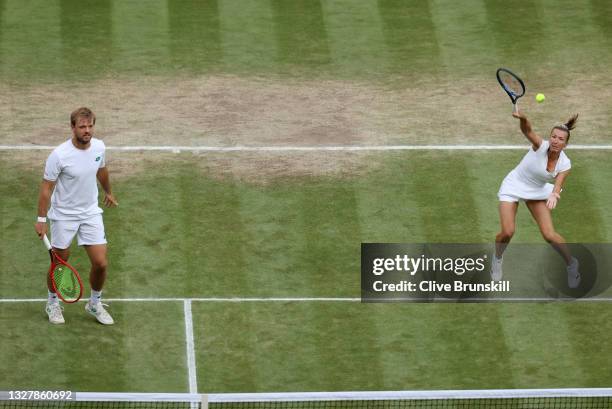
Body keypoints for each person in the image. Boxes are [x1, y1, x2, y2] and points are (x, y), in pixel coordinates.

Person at [34, 107, 118, 325]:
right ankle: (52, 302)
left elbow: (101, 169)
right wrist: (41, 219)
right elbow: (46, 188)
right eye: (82, 127)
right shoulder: (59, 155)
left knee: (100, 263)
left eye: (90, 126)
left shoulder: (99, 146)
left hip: (90, 213)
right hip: (63, 215)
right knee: (59, 262)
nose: (87, 130)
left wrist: (108, 191)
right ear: (73, 128)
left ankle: (94, 303)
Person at [491, 110, 580, 288]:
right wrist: (524, 119)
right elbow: (528, 131)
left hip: (537, 191)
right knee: (507, 232)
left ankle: (572, 264)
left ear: (566, 144)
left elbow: (559, 183)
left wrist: (555, 194)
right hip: (514, 185)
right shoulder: (540, 146)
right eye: (553, 137)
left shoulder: (565, 163)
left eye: (560, 139)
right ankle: (497, 258)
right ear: (550, 138)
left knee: (549, 235)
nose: (555, 141)